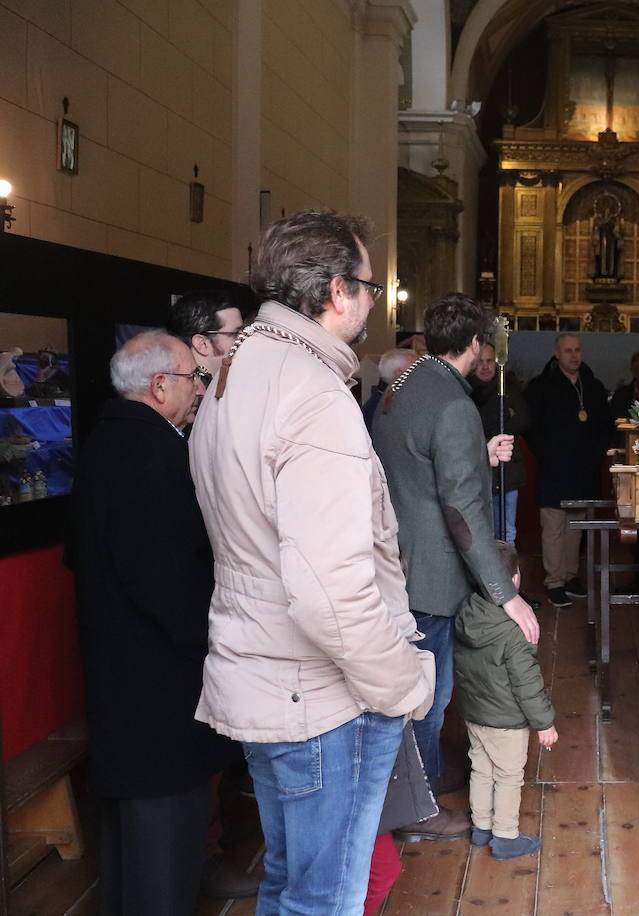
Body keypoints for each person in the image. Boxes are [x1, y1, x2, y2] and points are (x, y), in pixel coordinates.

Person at [190, 209, 436, 913]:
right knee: (325, 899)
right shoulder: (311, 394)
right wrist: (404, 683)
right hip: (322, 698)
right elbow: (330, 590)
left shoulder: (238, 370)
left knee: (292, 886)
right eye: (371, 287)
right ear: (335, 291)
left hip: (264, 676)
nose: (374, 302)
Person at [69, 332, 240, 915]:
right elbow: (163, 579)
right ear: (159, 385)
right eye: (195, 376)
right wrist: (217, 634)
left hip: (122, 669)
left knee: (134, 838)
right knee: (163, 836)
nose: (201, 388)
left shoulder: (108, 440)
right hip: (158, 678)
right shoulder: (151, 453)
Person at [372, 292, 539, 834]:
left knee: (415, 682)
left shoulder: (404, 385)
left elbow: (417, 464)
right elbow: (462, 509)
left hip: (397, 553)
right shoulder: (454, 404)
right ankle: (416, 807)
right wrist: (505, 591)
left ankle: (422, 780)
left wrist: (476, 453)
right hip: (432, 569)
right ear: (475, 343)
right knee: (431, 690)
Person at [453, 540, 558, 860]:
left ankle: (481, 827)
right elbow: (527, 684)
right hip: (506, 721)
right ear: (514, 580)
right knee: (509, 777)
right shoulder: (515, 629)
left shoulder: (466, 612)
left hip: (474, 712)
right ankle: (505, 836)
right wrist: (545, 723)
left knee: (481, 770)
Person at [524, 333, 613, 608]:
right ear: (557, 353)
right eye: (568, 351)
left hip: (584, 468)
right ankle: (555, 582)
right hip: (554, 467)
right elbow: (531, 428)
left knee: (576, 526)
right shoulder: (541, 386)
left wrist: (596, 453)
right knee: (554, 526)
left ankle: (571, 576)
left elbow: (604, 425)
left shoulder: (593, 385)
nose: (574, 356)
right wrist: (548, 453)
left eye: (577, 350)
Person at [470, 341, 529, 543]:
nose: (485, 367)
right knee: (481, 534)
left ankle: (507, 574)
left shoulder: (510, 388)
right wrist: (502, 413)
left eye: (490, 361)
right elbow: (472, 428)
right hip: (477, 473)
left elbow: (522, 421)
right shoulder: (465, 391)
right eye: (480, 362)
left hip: (507, 471)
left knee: (507, 532)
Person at [168, 289, 245, 380]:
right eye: (236, 334)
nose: (245, 340)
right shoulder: (185, 392)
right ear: (202, 344)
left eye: (245, 333)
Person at [362, 348, 422, 431]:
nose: (423, 375)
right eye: (417, 369)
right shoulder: (385, 407)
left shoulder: (380, 400)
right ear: (399, 373)